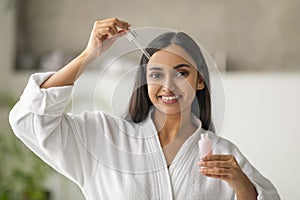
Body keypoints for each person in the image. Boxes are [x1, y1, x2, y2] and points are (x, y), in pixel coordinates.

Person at [9, 18, 280, 200]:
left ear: (200, 81)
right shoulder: (105, 137)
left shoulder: (223, 154)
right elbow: (32, 118)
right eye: (156, 74)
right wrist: (89, 54)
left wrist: (241, 184)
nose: (168, 86)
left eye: (181, 73)